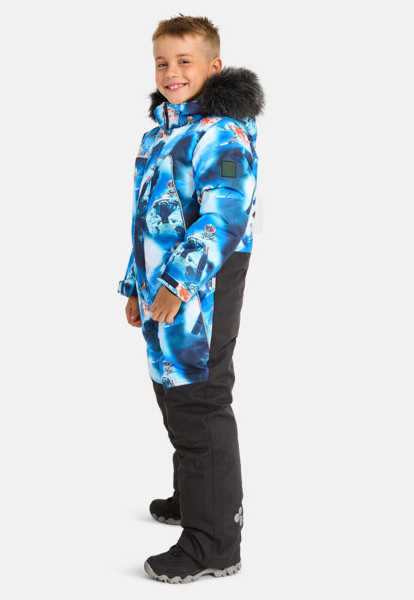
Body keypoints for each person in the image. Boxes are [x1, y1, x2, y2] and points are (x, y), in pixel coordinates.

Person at [117, 14, 265, 584]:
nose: (171, 72)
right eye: (162, 62)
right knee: (172, 387)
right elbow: (147, 221)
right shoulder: (163, 131)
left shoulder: (223, 134)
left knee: (199, 396)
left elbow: (225, 216)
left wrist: (177, 283)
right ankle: (199, 495)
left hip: (202, 281)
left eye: (184, 61)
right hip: (164, 283)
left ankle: (215, 540)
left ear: (213, 66)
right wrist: (137, 285)